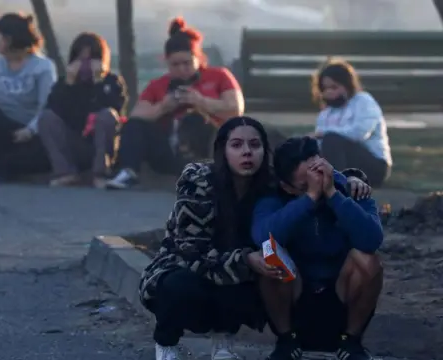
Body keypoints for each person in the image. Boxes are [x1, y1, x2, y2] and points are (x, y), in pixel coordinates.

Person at [138, 117, 372, 360]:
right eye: (237, 145)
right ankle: (166, 343)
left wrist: (352, 178)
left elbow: (308, 172)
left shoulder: (271, 183)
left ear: (264, 150)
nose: (247, 152)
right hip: (189, 264)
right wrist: (245, 259)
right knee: (179, 287)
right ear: (223, 150)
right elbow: (191, 251)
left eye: (255, 145)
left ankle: (223, 342)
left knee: (257, 283)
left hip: (248, 268)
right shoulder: (199, 182)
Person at [252, 136, 384, 360]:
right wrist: (310, 198)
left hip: (341, 294)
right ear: (287, 186)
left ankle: (351, 342)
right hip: (296, 295)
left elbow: (372, 239)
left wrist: (333, 194)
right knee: (266, 256)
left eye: (320, 177)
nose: (317, 185)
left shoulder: (350, 188)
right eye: (305, 185)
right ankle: (286, 340)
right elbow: (262, 238)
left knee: (369, 260)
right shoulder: (274, 196)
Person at [106, 17, 244, 190]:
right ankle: (128, 172)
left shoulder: (219, 76)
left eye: (187, 63)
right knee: (134, 126)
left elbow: (235, 110)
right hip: (168, 148)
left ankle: (205, 173)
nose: (181, 69)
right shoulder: (158, 85)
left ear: (198, 58)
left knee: (195, 119)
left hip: (208, 145)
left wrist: (201, 102)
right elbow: (137, 116)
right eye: (175, 65)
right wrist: (163, 107)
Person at [0, 12, 56, 185]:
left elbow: (47, 106)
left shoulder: (42, 67)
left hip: (28, 132)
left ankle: (2, 167)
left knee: (42, 153)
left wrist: (30, 130)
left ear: (10, 38)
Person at [38, 32, 127, 188]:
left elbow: (116, 110)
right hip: (72, 141)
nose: (85, 65)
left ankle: (101, 174)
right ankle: (65, 173)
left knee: (107, 115)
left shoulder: (112, 82)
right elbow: (54, 109)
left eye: (91, 59)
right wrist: (69, 84)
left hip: (99, 144)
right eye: (81, 59)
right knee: (46, 118)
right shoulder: (64, 84)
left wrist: (98, 82)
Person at [309, 59, 392, 187]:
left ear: (347, 86)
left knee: (332, 139)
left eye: (334, 87)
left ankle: (336, 187)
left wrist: (324, 134)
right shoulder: (326, 113)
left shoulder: (363, 101)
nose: (329, 92)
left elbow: (359, 133)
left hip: (373, 165)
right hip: (343, 163)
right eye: (325, 89)